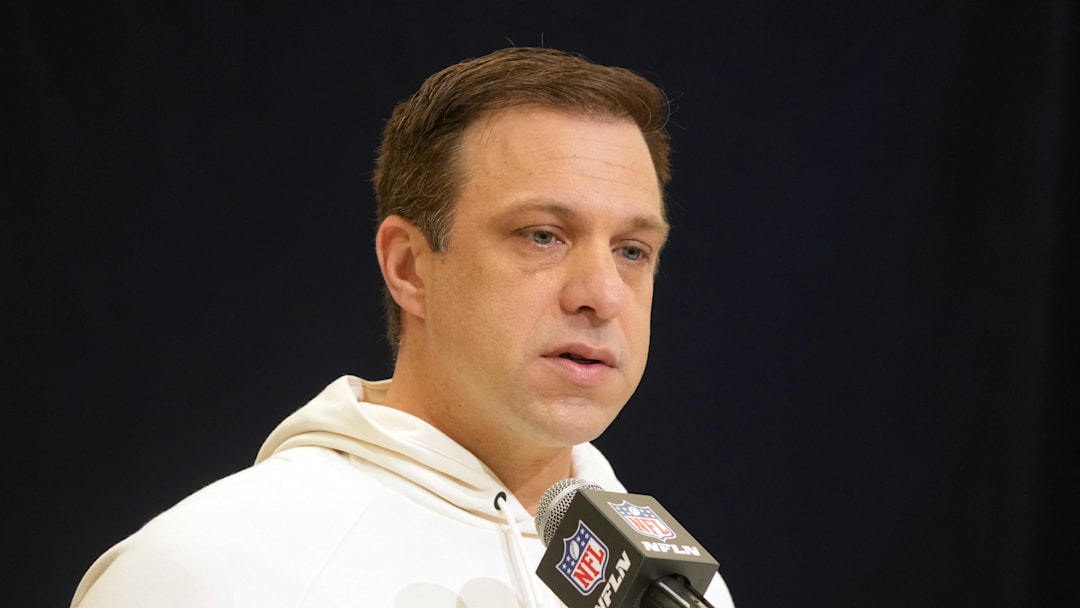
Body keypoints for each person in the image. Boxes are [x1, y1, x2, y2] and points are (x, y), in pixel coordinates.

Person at [70, 46, 736, 608]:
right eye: (543, 235)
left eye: (632, 250)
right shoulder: (208, 573)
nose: (603, 294)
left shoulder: (672, 589)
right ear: (410, 267)